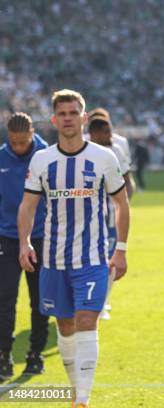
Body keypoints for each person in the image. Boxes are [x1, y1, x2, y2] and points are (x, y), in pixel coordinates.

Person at [17, 89, 130, 408]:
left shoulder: (104, 158)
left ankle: (82, 397)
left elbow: (121, 203)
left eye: (73, 113)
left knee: (86, 320)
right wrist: (24, 241)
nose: (68, 118)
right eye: (62, 114)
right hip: (53, 259)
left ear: (84, 117)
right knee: (65, 325)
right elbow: (27, 205)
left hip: (93, 258)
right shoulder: (42, 160)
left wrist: (120, 248)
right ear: (54, 120)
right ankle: (75, 388)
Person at [0, 113, 49, 379]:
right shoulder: (1, 157)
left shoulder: (46, 155)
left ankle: (35, 354)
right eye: (14, 142)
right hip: (6, 237)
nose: (18, 147)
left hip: (41, 236)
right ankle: (3, 356)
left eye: (23, 142)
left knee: (40, 300)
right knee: (4, 299)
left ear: (32, 133)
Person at [88, 110, 134, 320]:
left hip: (111, 217)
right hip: (89, 218)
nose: (110, 135)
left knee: (112, 259)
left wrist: (124, 205)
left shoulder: (117, 149)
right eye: (106, 132)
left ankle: (102, 302)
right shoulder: (84, 150)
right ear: (94, 133)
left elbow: (128, 181)